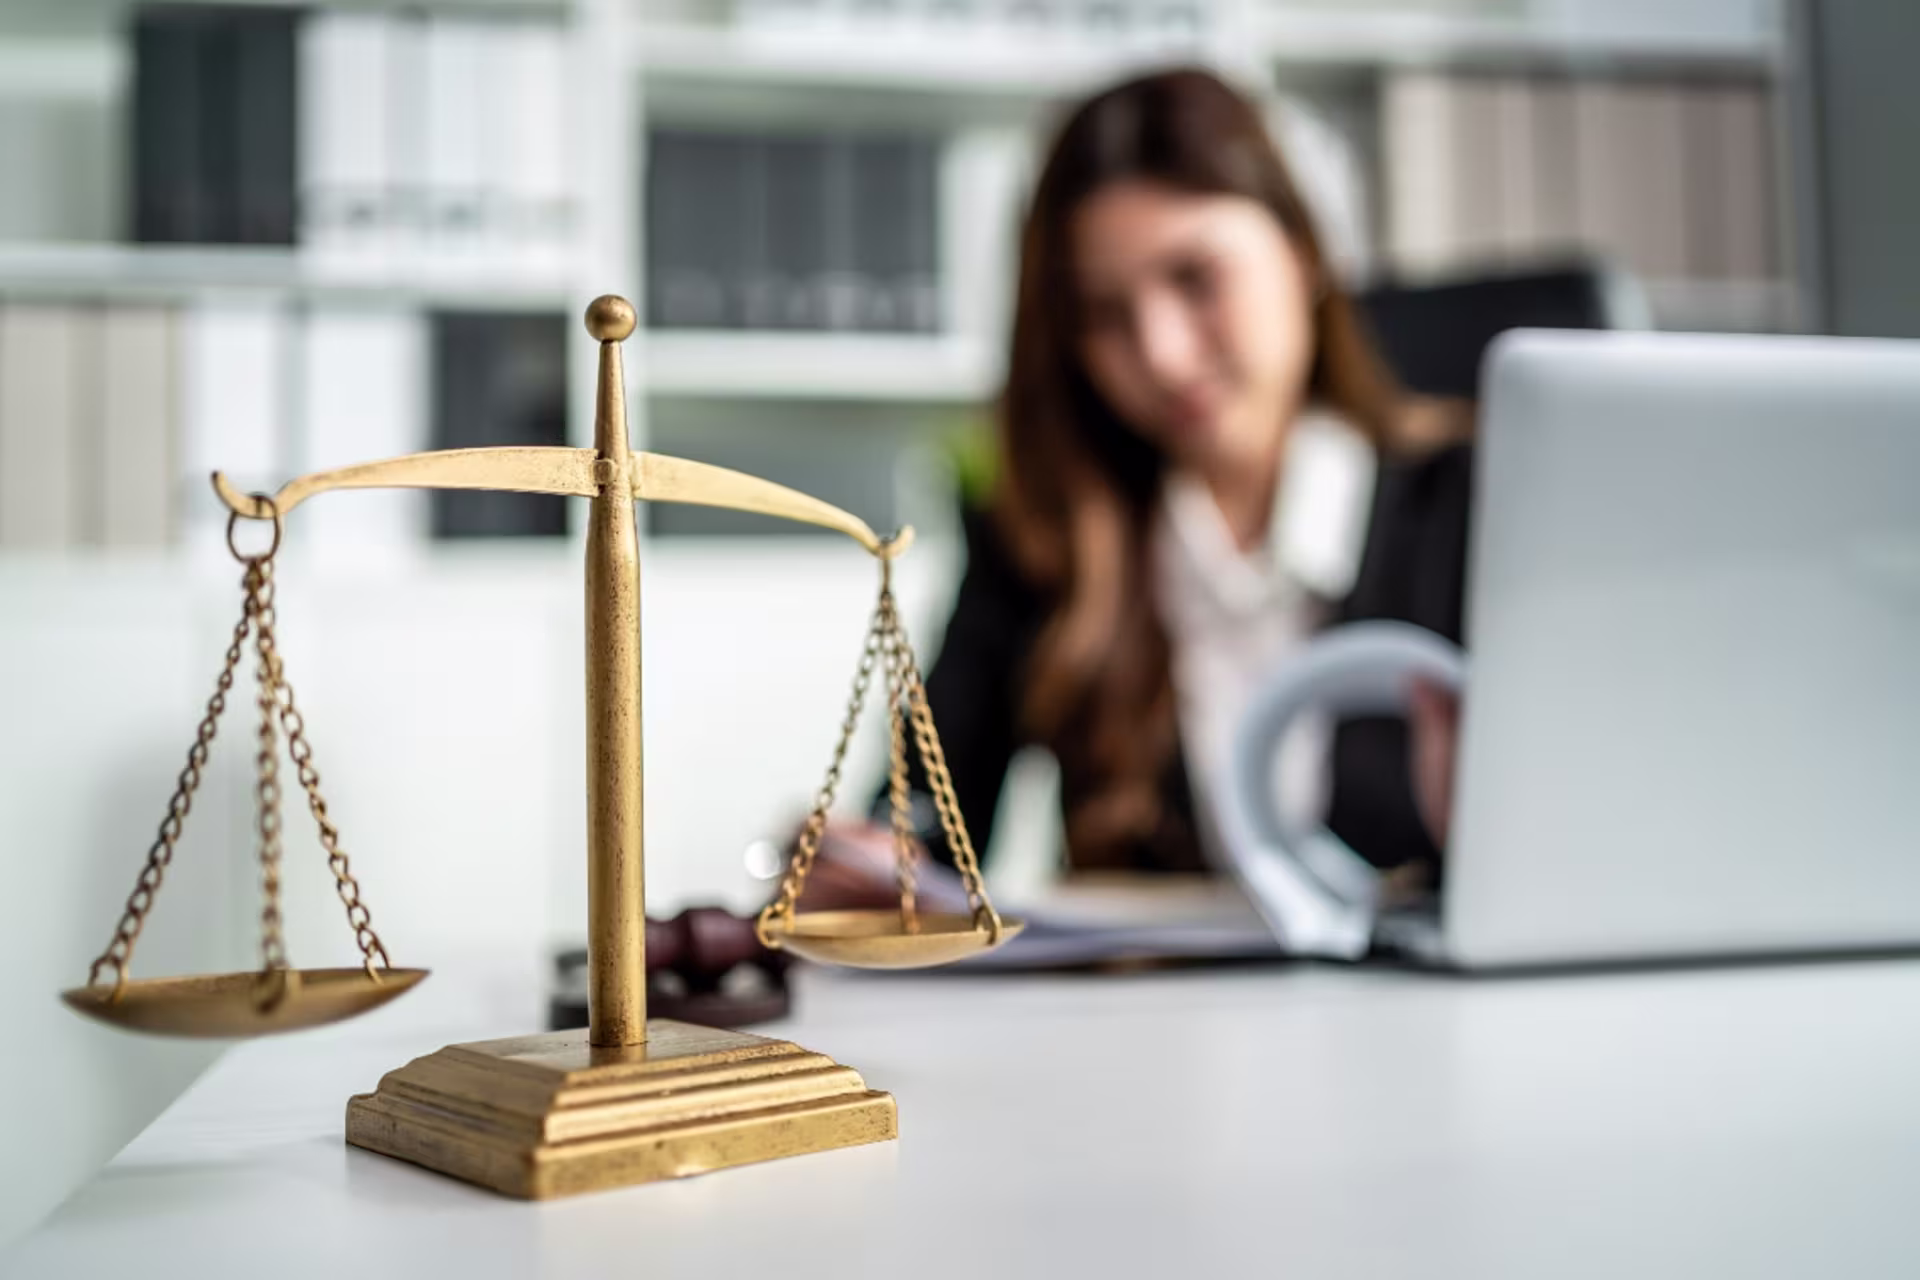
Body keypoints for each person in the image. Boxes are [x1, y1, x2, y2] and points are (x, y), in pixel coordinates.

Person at [801, 67, 1472, 929]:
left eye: (1195, 278)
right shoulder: (1043, 539)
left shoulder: (1481, 509)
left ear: (1305, 254)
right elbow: (925, 834)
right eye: (1104, 314)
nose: (1159, 354)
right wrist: (858, 866)